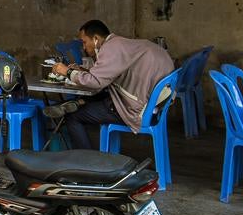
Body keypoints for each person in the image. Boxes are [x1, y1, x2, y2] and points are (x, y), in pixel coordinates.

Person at [51, 19, 175, 150]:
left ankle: (87, 163)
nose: (83, 47)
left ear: (96, 39)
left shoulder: (110, 48)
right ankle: (79, 102)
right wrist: (85, 72)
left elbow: (95, 82)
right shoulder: (120, 44)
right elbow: (109, 75)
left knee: (72, 117)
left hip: (139, 110)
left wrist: (67, 71)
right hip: (153, 107)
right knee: (104, 93)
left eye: (84, 42)